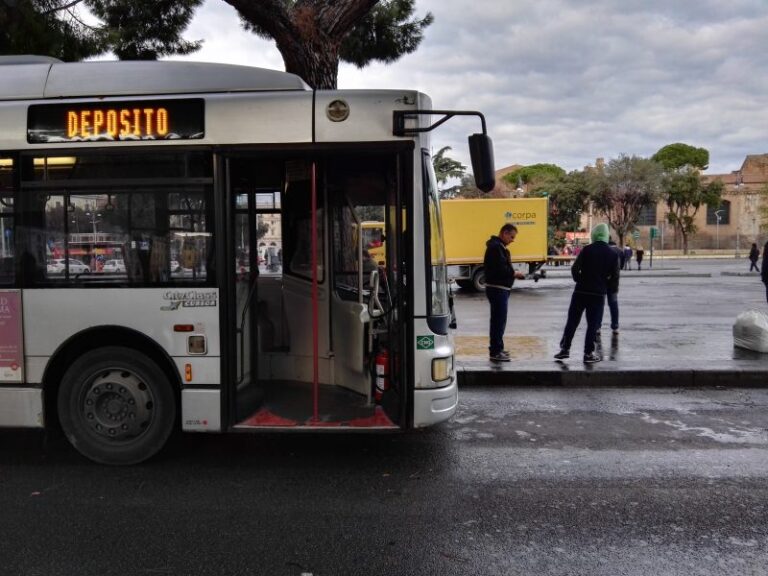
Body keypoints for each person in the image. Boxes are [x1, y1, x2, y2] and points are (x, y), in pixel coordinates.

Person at [554, 223, 620, 364]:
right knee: (593, 324)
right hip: (598, 294)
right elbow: (614, 278)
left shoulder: (587, 250)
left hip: (581, 291)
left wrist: (580, 280)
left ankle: (565, 349)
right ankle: (588, 353)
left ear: (594, 235)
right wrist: (606, 287)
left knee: (572, 321)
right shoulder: (613, 254)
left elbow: (574, 269)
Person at [484, 223, 526, 362]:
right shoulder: (496, 248)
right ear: (504, 233)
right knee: (498, 321)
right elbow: (501, 269)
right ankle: (495, 352)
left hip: (499, 289)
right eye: (512, 236)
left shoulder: (499, 247)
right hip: (498, 289)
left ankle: (498, 348)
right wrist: (515, 273)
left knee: (499, 321)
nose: (513, 240)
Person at [606, 239, 623, 334]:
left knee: (600, 305)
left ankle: (598, 326)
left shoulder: (606, 251)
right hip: (614, 282)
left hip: (603, 282)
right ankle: (615, 325)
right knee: (613, 303)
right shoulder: (620, 251)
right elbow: (621, 265)